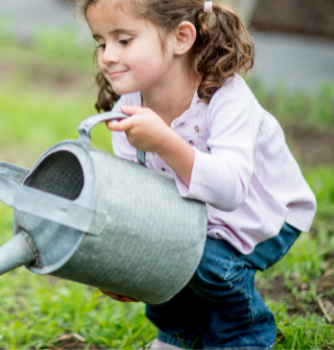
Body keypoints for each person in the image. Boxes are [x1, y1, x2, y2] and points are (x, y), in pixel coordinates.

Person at [76, 0, 317, 348]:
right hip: (195, 217)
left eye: (124, 40)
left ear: (181, 38)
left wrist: (164, 141)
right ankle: (177, 335)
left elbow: (231, 190)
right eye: (101, 43)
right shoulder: (127, 108)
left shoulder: (225, 97)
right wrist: (121, 258)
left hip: (262, 215)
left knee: (205, 263)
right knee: (155, 255)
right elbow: (136, 201)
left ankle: (241, 334)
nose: (107, 56)